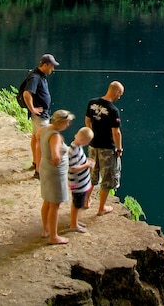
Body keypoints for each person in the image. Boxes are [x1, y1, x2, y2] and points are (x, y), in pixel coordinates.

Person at [85, 80, 125, 216]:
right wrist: (119, 149)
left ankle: (86, 200)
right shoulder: (113, 110)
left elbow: (87, 121)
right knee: (107, 179)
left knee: (92, 175)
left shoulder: (92, 103)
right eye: (120, 94)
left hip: (92, 145)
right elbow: (116, 132)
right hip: (107, 148)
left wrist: (91, 135)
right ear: (116, 92)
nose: (119, 97)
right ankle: (101, 208)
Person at [18, 53, 60, 178]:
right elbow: (27, 94)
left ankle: (35, 163)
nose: (52, 69)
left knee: (36, 137)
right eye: (51, 66)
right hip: (40, 116)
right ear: (45, 65)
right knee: (42, 141)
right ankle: (39, 171)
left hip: (41, 114)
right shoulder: (35, 77)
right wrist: (33, 109)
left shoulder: (38, 75)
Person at [39, 109, 74, 245]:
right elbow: (55, 155)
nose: (69, 124)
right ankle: (53, 236)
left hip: (45, 168)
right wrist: (58, 158)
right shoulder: (56, 136)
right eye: (68, 122)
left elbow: (37, 137)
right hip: (54, 173)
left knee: (47, 200)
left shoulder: (45, 128)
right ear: (61, 122)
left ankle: (46, 230)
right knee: (55, 204)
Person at [67, 126, 95, 233]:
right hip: (77, 184)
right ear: (83, 140)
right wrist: (87, 165)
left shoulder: (77, 147)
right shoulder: (73, 151)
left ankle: (75, 221)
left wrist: (85, 161)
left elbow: (78, 162)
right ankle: (74, 225)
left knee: (77, 203)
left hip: (81, 183)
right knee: (77, 204)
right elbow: (73, 168)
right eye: (87, 142)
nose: (87, 144)